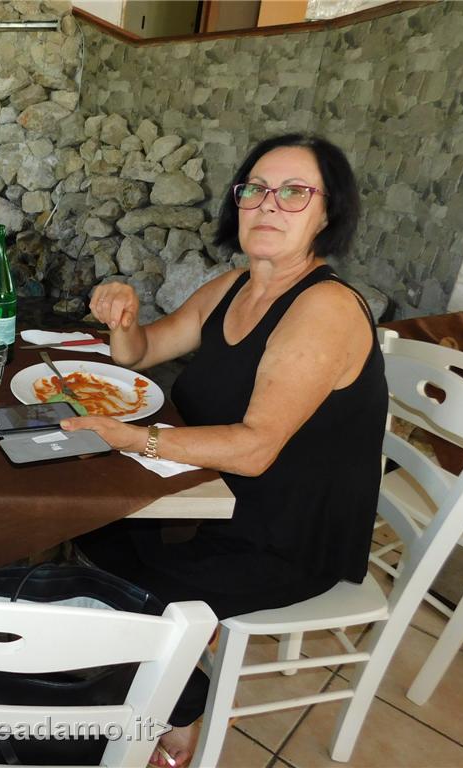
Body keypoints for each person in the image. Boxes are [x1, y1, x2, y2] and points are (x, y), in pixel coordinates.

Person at [62, 134, 388, 766]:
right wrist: (123, 319)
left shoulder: (325, 308)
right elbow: (142, 352)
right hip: (208, 496)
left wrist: (136, 438)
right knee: (90, 529)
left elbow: (256, 448)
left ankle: (180, 704)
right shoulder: (236, 284)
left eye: (294, 192)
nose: (268, 204)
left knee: (119, 590)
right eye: (255, 189)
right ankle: (165, 663)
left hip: (282, 533)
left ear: (329, 213)